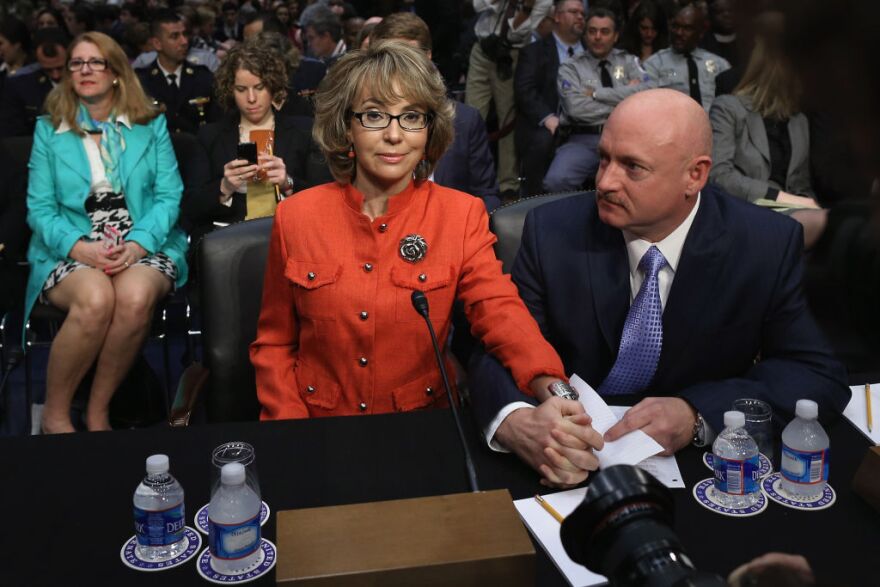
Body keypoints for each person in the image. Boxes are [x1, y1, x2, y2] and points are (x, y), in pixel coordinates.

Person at [468, 89, 849, 487]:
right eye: (604, 159)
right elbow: (499, 347)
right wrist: (517, 420)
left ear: (695, 175)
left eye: (633, 167)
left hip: (703, 470)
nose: (604, 182)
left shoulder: (763, 244)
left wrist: (697, 414)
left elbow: (815, 372)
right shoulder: (553, 231)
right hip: (562, 460)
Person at [250, 41, 571, 421]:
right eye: (374, 116)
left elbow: (501, 312)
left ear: (429, 130)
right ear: (346, 127)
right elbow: (274, 344)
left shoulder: (461, 214)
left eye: (412, 117)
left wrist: (554, 388)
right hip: (318, 425)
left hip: (423, 425)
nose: (394, 134)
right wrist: (291, 431)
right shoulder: (296, 216)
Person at [24, 31, 188, 433]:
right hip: (69, 243)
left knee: (132, 297)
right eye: (77, 63)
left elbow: (169, 197)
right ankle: (55, 414)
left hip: (144, 238)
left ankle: (99, 410)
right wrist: (80, 249)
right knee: (96, 298)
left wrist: (137, 246)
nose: (85, 70)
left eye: (95, 62)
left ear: (115, 71)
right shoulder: (50, 129)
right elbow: (39, 210)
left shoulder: (150, 124)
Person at [193, 39, 331, 235]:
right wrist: (225, 187)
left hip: (292, 233)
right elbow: (192, 209)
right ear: (230, 90)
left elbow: (325, 201)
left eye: (259, 88)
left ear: (272, 87)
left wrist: (288, 183)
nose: (251, 98)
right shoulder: (210, 136)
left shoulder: (305, 131)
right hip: (230, 239)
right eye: (241, 90)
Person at [370, 12, 501, 211]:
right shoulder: (360, 121)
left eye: (409, 57)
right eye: (392, 59)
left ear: (428, 56)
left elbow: (487, 195)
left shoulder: (465, 120)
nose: (401, 68)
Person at [709, 30, 820, 210]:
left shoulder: (799, 120)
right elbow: (719, 176)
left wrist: (808, 207)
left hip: (793, 215)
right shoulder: (728, 108)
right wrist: (778, 197)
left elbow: (802, 187)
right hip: (745, 210)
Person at [542, 7, 646, 192]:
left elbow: (647, 93)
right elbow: (575, 109)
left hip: (628, 137)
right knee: (556, 180)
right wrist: (625, 100)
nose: (597, 37)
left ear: (615, 36)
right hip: (585, 138)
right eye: (592, 31)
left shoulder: (630, 62)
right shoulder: (570, 66)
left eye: (605, 32)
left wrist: (597, 94)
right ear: (585, 35)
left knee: (648, 180)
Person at [467, 0, 553, 197]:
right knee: (472, 115)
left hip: (510, 55)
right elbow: (478, 6)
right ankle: (469, 175)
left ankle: (507, 184)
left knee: (508, 120)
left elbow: (518, 32)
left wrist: (526, 8)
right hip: (482, 49)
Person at [514, 0, 586, 196]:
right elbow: (525, 90)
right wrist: (548, 117)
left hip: (588, 125)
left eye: (582, 13)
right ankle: (534, 203)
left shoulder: (592, 50)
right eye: (573, 12)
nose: (580, 17)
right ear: (557, 16)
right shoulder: (534, 52)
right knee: (542, 141)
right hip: (547, 122)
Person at [135, 10, 220, 134]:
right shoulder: (141, 82)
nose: (184, 41)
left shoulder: (203, 77)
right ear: (157, 44)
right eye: (175, 36)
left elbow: (216, 124)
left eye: (185, 34)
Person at [643, 3, 730, 112]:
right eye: (675, 26)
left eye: (687, 28)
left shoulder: (719, 64)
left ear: (701, 33)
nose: (679, 33)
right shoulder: (654, 64)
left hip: (713, 125)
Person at [0, 27, 69, 137]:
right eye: (48, 70)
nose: (55, 75)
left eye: (60, 68)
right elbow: (12, 133)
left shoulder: (84, 79)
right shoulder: (20, 86)